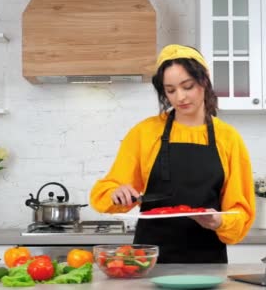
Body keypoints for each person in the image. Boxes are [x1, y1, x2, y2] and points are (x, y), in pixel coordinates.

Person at [90, 44, 255, 263]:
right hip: (148, 260)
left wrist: (220, 222)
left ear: (204, 81)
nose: (180, 97)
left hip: (207, 262)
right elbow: (107, 190)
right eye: (171, 90)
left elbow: (240, 211)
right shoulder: (145, 132)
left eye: (188, 86)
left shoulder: (228, 138)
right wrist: (117, 193)